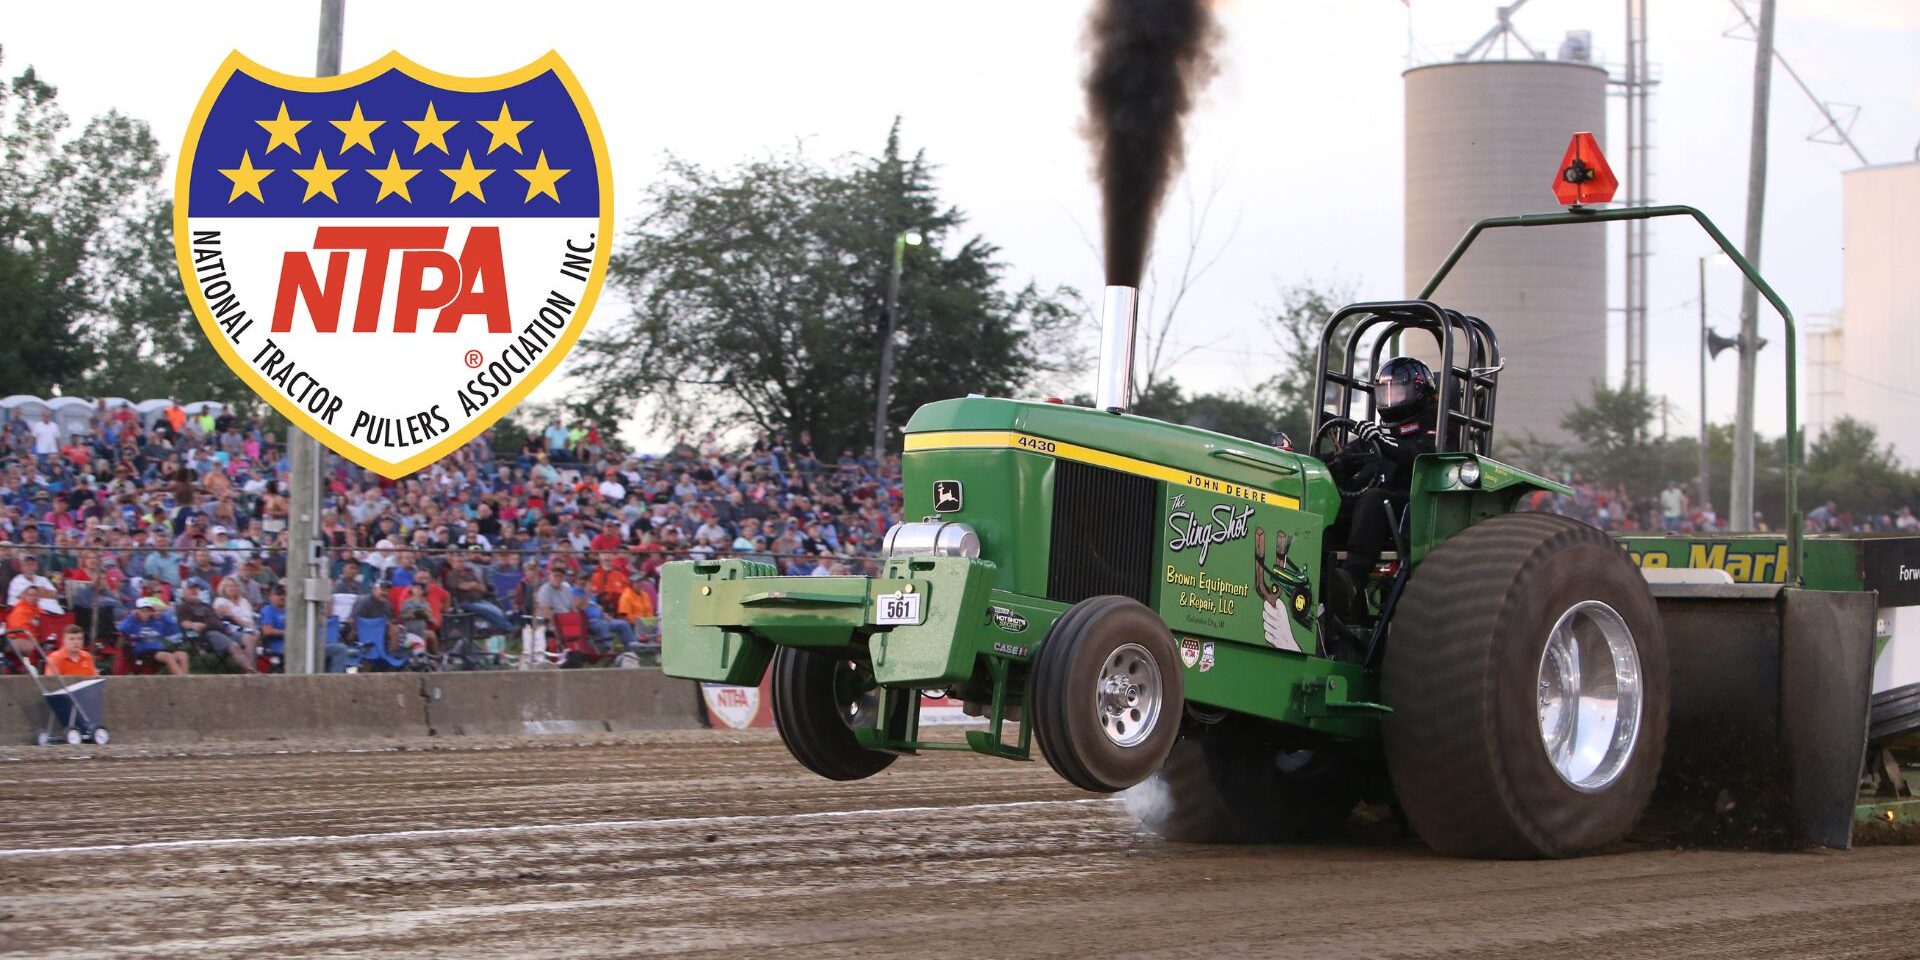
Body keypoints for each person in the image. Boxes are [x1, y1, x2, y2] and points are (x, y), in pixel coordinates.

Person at [1327, 356, 1439, 623]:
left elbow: (1417, 455)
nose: (1390, 398)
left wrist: (1381, 441)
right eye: (1384, 391)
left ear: (1418, 391)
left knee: (1373, 499)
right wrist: (1339, 463)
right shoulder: (1378, 435)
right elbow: (1348, 455)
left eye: (1397, 391)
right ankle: (1319, 577)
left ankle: (1353, 580)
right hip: (1375, 513)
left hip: (1413, 510)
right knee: (1335, 502)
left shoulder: (1434, 429)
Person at [176, 578, 255, 673]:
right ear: (184, 591)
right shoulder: (184, 606)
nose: (194, 591)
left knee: (249, 639)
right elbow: (184, 623)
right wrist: (193, 625)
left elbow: (217, 618)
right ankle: (250, 670)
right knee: (234, 645)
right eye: (191, 589)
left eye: (196, 588)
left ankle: (251, 670)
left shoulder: (205, 605)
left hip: (223, 629)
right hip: (208, 634)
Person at [118, 596, 189, 676]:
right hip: (143, 651)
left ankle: (185, 679)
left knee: (183, 655)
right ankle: (182, 680)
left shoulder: (156, 623)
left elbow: (173, 629)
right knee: (168, 656)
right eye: (143, 611)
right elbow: (122, 629)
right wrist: (131, 617)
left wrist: (163, 615)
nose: (145, 613)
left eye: (148, 611)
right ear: (137, 611)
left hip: (158, 650)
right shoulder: (134, 623)